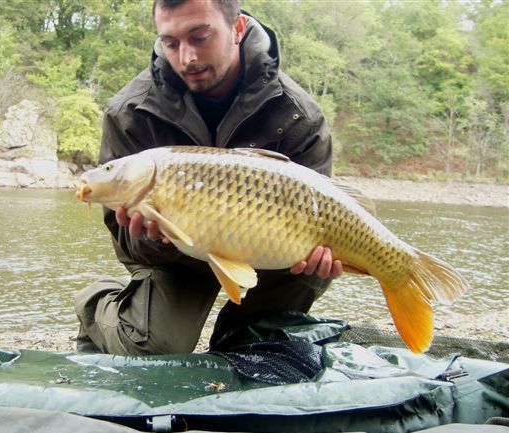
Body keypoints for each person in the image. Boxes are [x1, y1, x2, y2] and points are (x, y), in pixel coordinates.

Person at [74, 0, 342, 355]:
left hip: (271, 255)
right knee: (154, 350)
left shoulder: (297, 115)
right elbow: (126, 242)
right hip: (178, 257)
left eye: (199, 37)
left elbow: (323, 212)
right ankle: (98, 304)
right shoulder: (130, 113)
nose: (186, 57)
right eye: (170, 43)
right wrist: (158, 239)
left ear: (237, 28)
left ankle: (238, 339)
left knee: (255, 352)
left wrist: (318, 263)